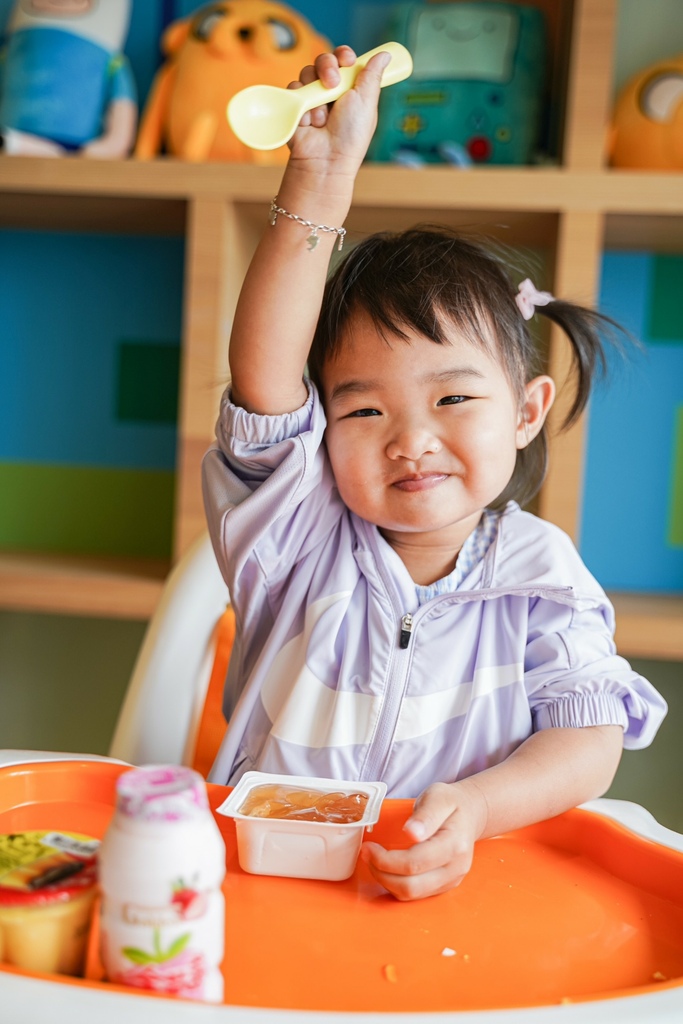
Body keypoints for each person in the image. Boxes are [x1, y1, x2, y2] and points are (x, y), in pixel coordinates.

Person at [202, 46, 667, 900]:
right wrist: (320, 181)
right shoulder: (293, 534)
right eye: (364, 410)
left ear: (525, 413)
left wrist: (480, 806)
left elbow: (589, 733)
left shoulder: (540, 573)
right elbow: (266, 381)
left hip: (458, 885)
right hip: (269, 883)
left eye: (452, 399)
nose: (409, 440)